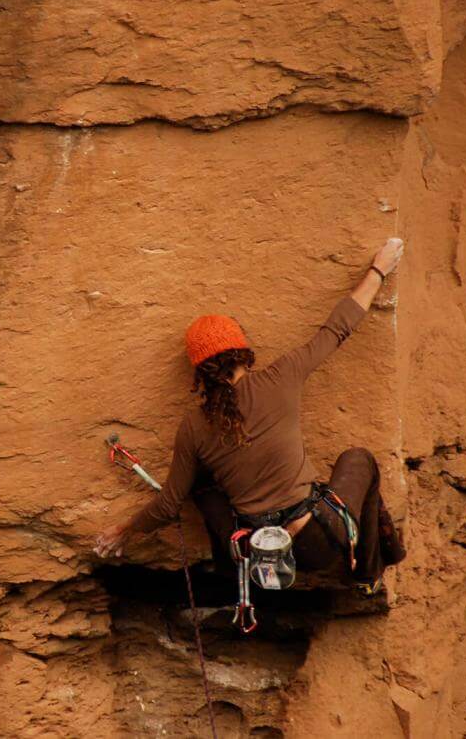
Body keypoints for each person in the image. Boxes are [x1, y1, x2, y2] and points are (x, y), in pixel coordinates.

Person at [94, 238, 408, 591]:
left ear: (201, 373)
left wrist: (123, 531)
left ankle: (231, 578)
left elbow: (168, 504)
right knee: (359, 459)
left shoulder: (194, 426)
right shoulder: (281, 377)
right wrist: (378, 270)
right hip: (317, 541)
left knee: (200, 483)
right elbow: (337, 329)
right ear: (243, 353)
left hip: (254, 553)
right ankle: (369, 570)